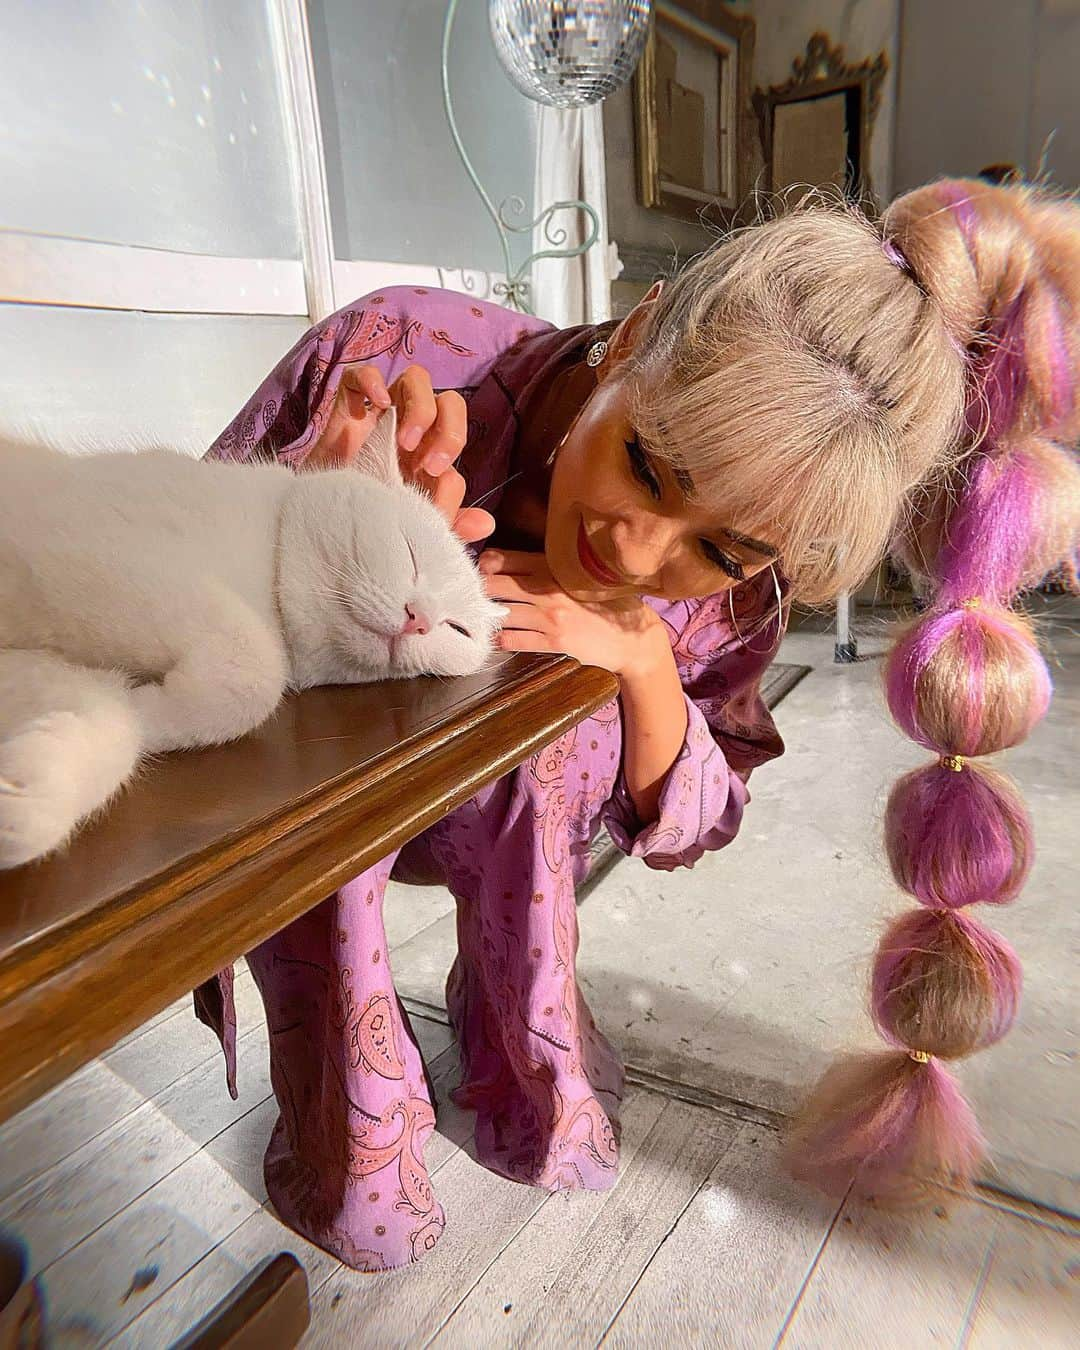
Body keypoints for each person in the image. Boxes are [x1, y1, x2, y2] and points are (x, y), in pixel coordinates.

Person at [196, 179, 1079, 1269]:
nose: (642, 552)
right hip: (330, 815)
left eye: (721, 551)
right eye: (650, 466)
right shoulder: (397, 355)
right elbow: (166, 603)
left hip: (522, 846)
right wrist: (314, 527)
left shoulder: (741, 590)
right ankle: (352, 1124)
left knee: (557, 718)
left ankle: (521, 1034)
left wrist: (641, 655)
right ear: (638, 336)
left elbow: (699, 809)